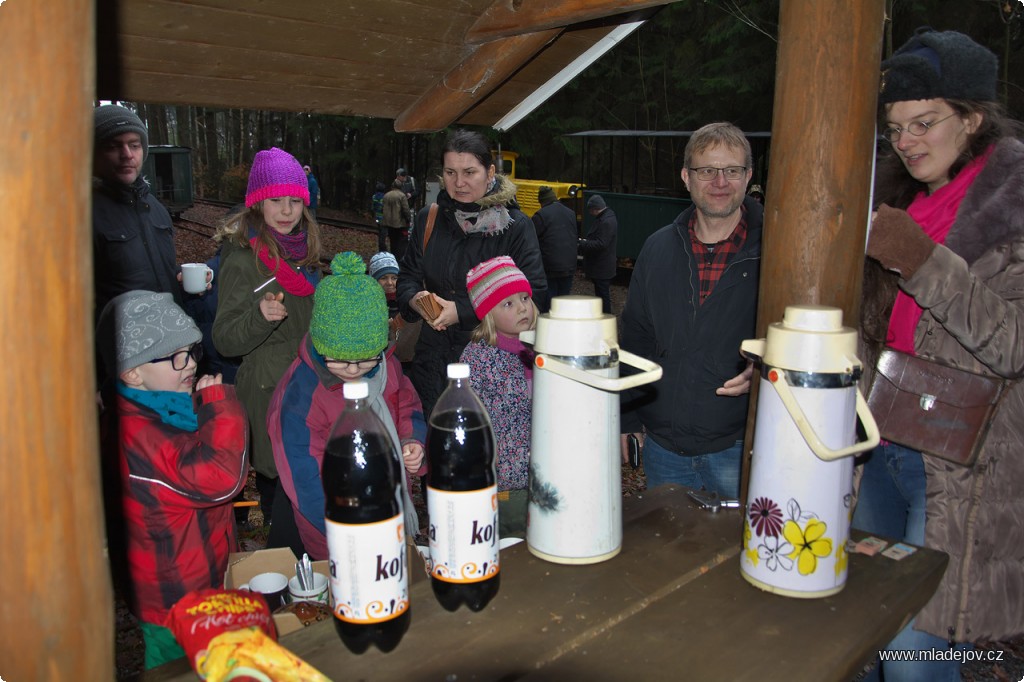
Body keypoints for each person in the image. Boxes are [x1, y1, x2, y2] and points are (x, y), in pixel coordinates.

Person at [853, 28, 1024, 682]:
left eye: (924, 123)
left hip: (961, 467)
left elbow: (1012, 342)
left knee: (913, 662)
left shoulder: (1011, 202)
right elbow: (883, 335)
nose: (908, 143)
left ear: (973, 117)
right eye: (896, 129)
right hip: (888, 441)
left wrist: (922, 260)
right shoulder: (904, 201)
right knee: (863, 630)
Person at [96, 291, 248, 669]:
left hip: (201, 575)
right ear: (132, 372)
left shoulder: (161, 406)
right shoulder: (137, 435)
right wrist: (219, 406)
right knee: (175, 668)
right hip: (173, 595)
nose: (190, 365)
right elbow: (220, 478)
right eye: (176, 356)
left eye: (192, 351)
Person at [619, 122, 761, 499]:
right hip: (665, 447)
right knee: (668, 553)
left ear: (748, 176)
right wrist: (628, 417)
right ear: (686, 177)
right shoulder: (657, 248)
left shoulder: (774, 253)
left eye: (732, 170)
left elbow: (799, 334)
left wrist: (764, 365)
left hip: (740, 444)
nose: (719, 181)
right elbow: (634, 338)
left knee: (741, 554)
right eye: (706, 170)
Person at [268, 252, 425, 559]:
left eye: (365, 359)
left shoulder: (387, 366)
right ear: (322, 344)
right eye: (341, 360)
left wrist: (413, 441)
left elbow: (407, 405)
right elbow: (302, 475)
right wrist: (343, 529)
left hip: (388, 506)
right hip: (334, 527)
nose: (353, 370)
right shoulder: (302, 394)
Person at [212, 147, 322, 548]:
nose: (287, 210)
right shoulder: (243, 260)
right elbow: (224, 339)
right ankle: (282, 569)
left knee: (307, 487)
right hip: (270, 393)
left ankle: (306, 568)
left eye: (295, 200)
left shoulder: (301, 254)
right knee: (281, 492)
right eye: (277, 200)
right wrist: (259, 315)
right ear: (258, 202)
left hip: (308, 387)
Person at [396, 128, 546, 418]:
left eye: (469, 172)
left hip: (494, 366)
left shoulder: (514, 227)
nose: (459, 183)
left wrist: (461, 311)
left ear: (490, 172)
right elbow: (408, 276)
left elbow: (535, 293)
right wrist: (415, 301)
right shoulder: (431, 218)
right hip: (432, 365)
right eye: (450, 172)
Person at [459, 257, 537, 538]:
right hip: (504, 480)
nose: (522, 308)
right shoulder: (477, 358)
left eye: (525, 298)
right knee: (512, 543)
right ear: (488, 314)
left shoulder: (545, 345)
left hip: (546, 472)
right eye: (508, 303)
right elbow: (468, 423)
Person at [92, 105, 182, 318]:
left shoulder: (155, 208)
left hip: (169, 338)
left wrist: (178, 277)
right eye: (113, 147)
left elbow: (152, 269)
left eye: (134, 145)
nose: (127, 155)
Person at [531, 186, 578, 312]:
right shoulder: (570, 213)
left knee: (549, 302)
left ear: (542, 201)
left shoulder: (541, 215)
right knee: (563, 300)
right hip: (569, 265)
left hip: (550, 267)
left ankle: (549, 327)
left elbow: (532, 240)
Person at [578, 194, 618, 315]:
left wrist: (583, 243)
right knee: (601, 294)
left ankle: (606, 318)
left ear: (594, 209)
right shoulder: (607, 217)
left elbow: (601, 244)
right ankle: (604, 317)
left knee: (603, 295)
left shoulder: (606, 221)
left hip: (602, 266)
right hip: (602, 266)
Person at [382, 179, 412, 259]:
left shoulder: (386, 195)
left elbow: (382, 208)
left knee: (392, 242)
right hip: (399, 224)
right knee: (401, 243)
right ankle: (399, 259)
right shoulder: (402, 196)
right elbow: (406, 209)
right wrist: (408, 219)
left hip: (388, 223)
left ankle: (393, 256)